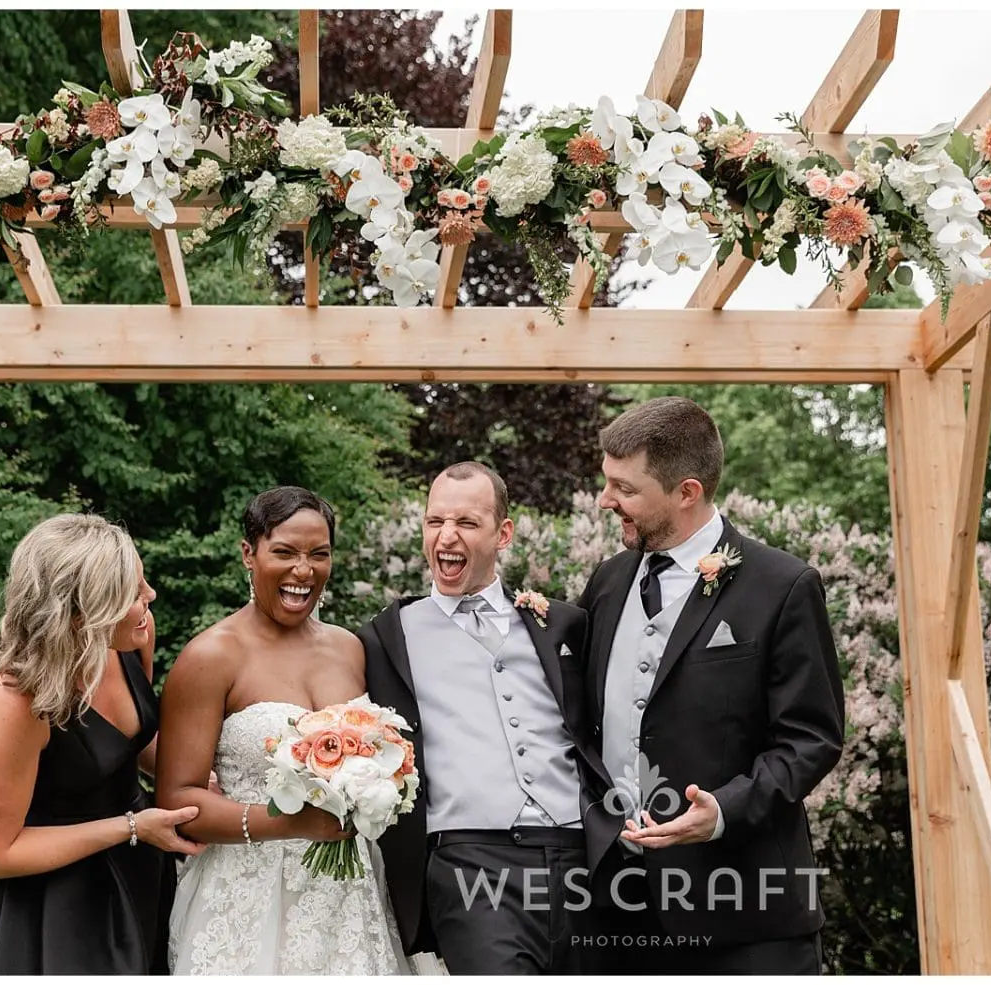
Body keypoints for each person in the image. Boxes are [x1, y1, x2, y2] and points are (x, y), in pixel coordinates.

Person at [576, 396, 845, 973]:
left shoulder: (783, 586)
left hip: (747, 916)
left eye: (624, 488)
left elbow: (811, 739)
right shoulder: (607, 581)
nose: (606, 501)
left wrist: (722, 811)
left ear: (687, 492)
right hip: (614, 910)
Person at [158, 486, 415, 975]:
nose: (304, 570)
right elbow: (179, 801)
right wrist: (293, 823)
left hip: (348, 900)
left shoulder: (350, 648)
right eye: (285, 552)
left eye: (319, 554)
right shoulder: (211, 657)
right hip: (249, 900)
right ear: (248, 554)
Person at [359, 462, 597, 973]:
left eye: (466, 522)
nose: (447, 536)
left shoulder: (563, 624)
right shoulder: (385, 638)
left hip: (579, 856)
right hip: (470, 859)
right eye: (434, 521)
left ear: (502, 533)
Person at [0, 513, 202, 974]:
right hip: (48, 895)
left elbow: (131, 743)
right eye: (133, 593)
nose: (150, 597)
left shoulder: (132, 637)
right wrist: (131, 827)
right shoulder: (15, 699)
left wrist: (198, 774)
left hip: (136, 864)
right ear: (84, 611)